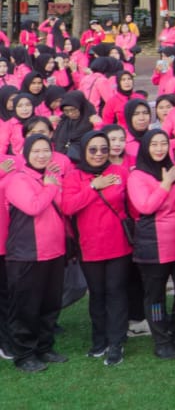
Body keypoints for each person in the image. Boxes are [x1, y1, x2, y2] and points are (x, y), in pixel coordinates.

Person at [61, 129, 133, 366]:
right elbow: (68, 207)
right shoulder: (74, 176)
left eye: (104, 149)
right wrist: (94, 187)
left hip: (119, 246)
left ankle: (116, 342)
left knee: (116, 293)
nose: (99, 154)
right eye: (93, 149)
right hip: (89, 247)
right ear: (83, 151)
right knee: (98, 295)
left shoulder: (120, 172)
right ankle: (99, 340)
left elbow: (131, 207)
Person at [5, 135, 69, 373]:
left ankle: (44, 346)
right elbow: (33, 206)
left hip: (54, 252)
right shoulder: (18, 180)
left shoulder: (49, 178)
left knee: (49, 305)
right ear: (27, 154)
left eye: (46, 151)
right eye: (36, 151)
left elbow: (63, 206)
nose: (42, 155)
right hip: (27, 255)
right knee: (25, 307)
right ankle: (24, 353)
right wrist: (52, 185)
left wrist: (55, 185)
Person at [127, 129, 175, 360]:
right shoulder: (137, 176)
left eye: (163, 143)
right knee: (155, 296)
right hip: (153, 244)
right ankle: (161, 339)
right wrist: (166, 184)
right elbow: (145, 206)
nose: (160, 148)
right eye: (154, 144)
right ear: (145, 148)